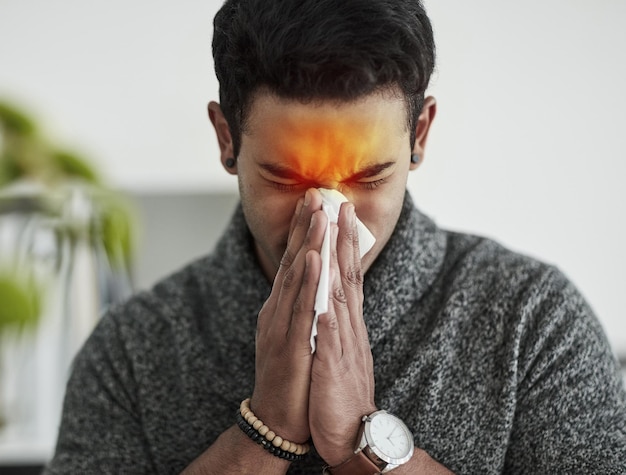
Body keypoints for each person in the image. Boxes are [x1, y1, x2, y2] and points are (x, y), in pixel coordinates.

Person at [45, 0, 626, 473]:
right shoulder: (130, 351)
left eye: (370, 177)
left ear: (419, 134)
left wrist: (361, 443)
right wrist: (263, 431)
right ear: (227, 139)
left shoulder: (534, 320)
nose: (328, 216)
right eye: (284, 178)